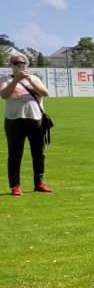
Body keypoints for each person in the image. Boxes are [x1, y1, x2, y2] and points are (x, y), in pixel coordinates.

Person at [1, 53, 51, 195]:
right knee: (15, 154)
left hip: (36, 119)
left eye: (22, 63)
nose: (18, 66)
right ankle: (15, 185)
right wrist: (16, 80)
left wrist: (29, 80)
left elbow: (45, 93)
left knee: (39, 153)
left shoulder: (34, 78)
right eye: (15, 63)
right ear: (11, 65)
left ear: (27, 65)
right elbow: (4, 95)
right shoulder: (5, 79)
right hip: (14, 120)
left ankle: (39, 183)